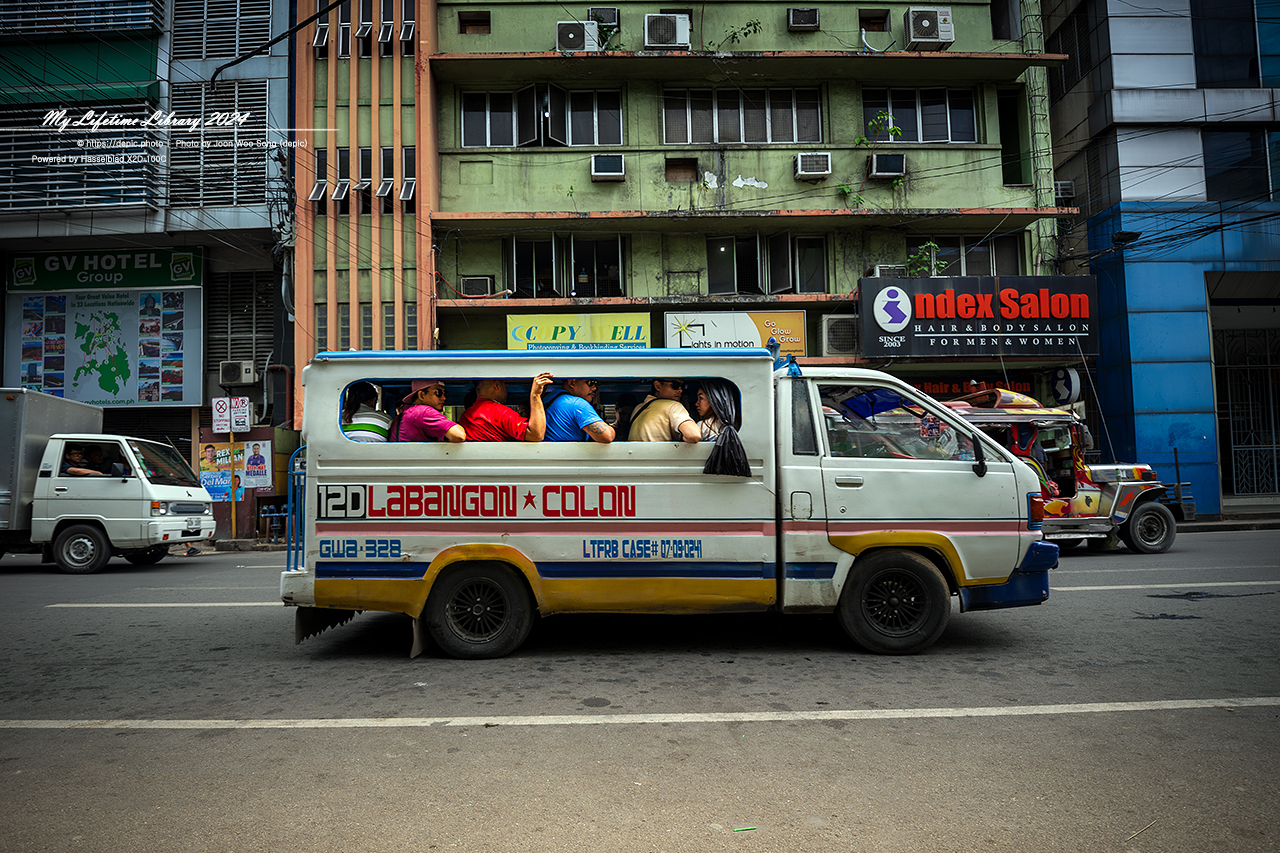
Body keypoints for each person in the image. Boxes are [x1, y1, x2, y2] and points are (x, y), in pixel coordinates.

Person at [461, 373, 554, 442]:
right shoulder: (500, 412)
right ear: (496, 385)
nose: (507, 388)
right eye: (504, 384)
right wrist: (535, 395)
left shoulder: (465, 416)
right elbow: (536, 435)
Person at [391, 380, 466, 443]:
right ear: (421, 395)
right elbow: (459, 435)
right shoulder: (424, 412)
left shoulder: (404, 414)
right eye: (438, 393)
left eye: (445, 393)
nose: (444, 398)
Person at [628, 379, 701, 443]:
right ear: (658, 386)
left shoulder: (638, 408)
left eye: (682, 385)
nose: (680, 390)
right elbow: (694, 435)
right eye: (675, 385)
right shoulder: (673, 406)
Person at [542, 378, 614, 443]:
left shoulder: (547, 399)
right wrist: (613, 429)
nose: (594, 388)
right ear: (572, 383)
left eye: (595, 383)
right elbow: (607, 436)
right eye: (590, 382)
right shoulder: (577, 404)